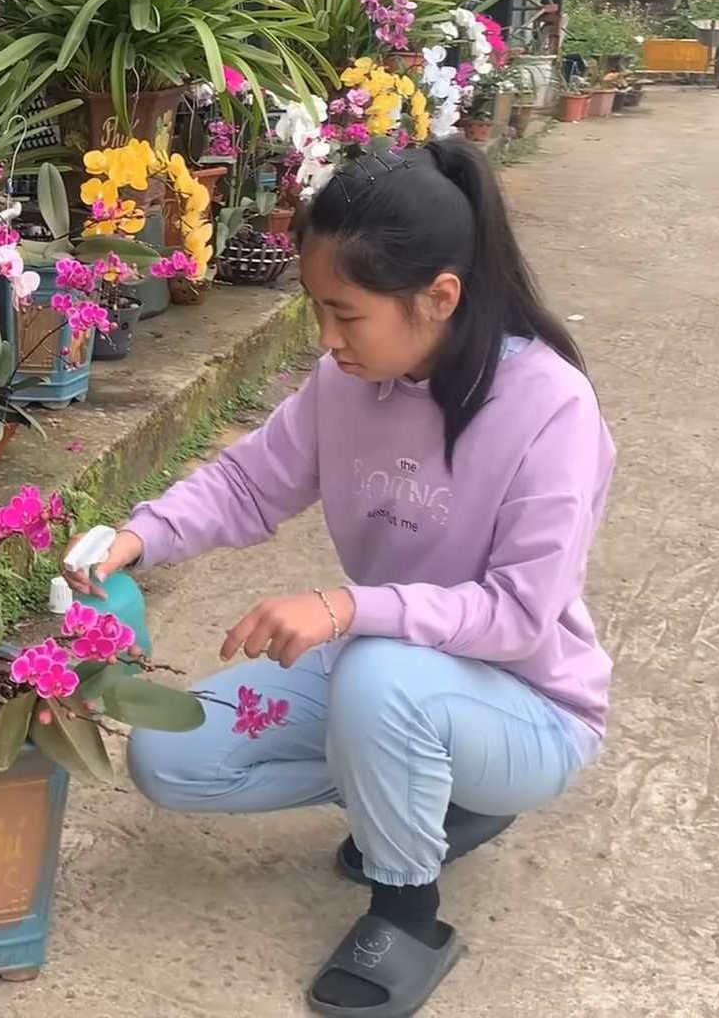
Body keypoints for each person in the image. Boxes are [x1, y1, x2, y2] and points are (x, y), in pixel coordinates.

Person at [63, 140, 613, 1017]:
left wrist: (343, 606)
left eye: (345, 314)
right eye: (316, 309)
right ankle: (416, 791)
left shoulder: (550, 408)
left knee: (377, 672)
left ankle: (406, 910)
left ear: (439, 297)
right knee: (171, 759)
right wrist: (137, 539)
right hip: (384, 677)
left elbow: (518, 616)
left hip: (527, 710)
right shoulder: (343, 384)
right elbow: (248, 481)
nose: (326, 339)